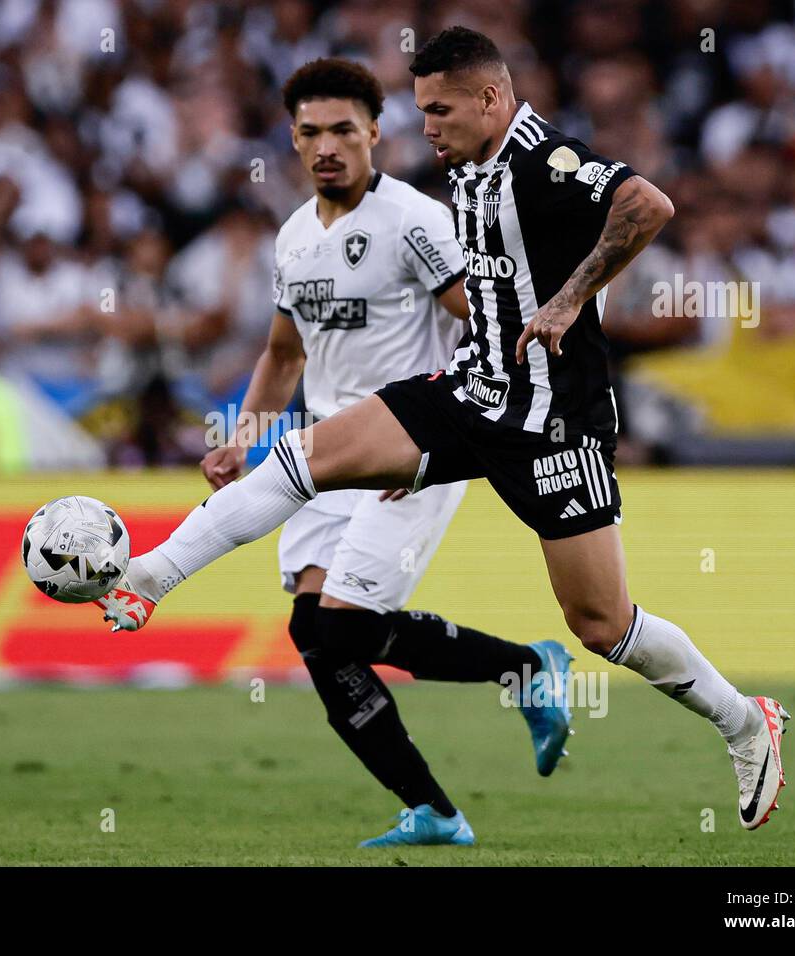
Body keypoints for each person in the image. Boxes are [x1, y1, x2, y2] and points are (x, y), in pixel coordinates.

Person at [94, 28, 789, 842]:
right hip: (469, 392)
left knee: (602, 626)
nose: (427, 127)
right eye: (421, 109)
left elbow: (648, 204)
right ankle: (150, 574)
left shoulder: (543, 159)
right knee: (302, 460)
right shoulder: (461, 169)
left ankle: (745, 722)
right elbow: (311, 346)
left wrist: (570, 300)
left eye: (439, 109)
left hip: (551, 424)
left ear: (491, 99)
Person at [196, 58, 576, 848]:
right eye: (310, 132)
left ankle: (527, 670)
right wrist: (239, 441)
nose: (327, 146)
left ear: (376, 132)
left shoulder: (414, 220)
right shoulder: (295, 236)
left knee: (342, 632)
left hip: (410, 447)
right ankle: (436, 808)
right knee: (320, 639)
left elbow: (485, 323)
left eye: (343, 129)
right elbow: (283, 355)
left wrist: (434, 438)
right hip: (323, 459)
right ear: (292, 140)